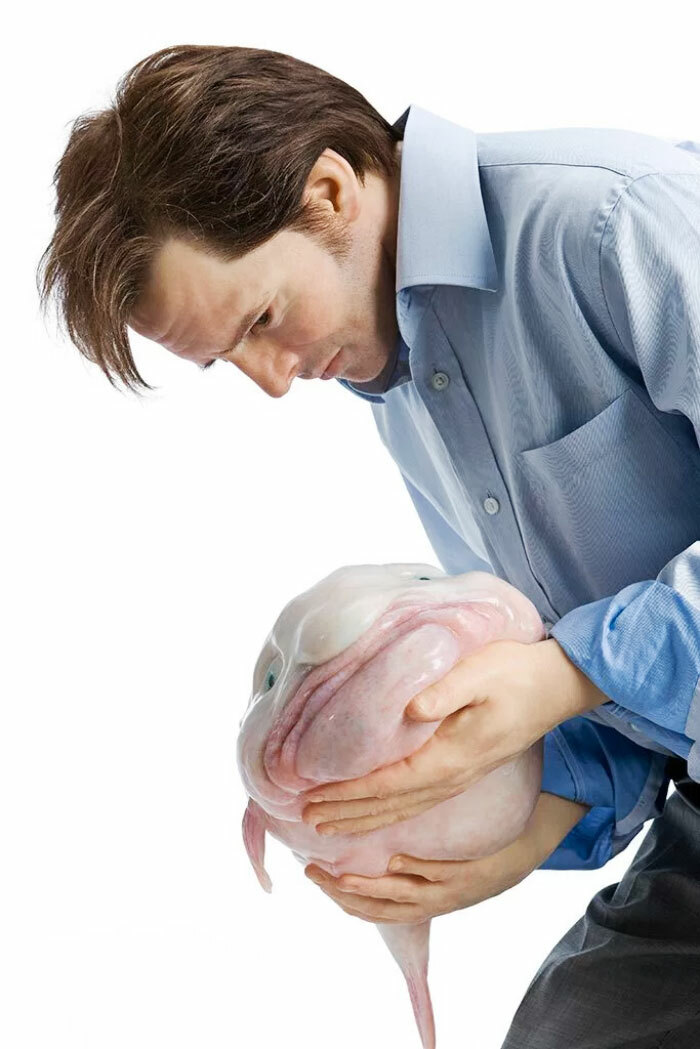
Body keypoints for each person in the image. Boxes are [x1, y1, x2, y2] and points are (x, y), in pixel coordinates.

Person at [37, 43, 700, 1048]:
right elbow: (640, 688)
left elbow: (586, 654)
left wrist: (567, 669)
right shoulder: (404, 386)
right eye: (230, 361)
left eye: (261, 318)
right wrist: (537, 812)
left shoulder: (614, 220)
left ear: (331, 190)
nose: (271, 378)